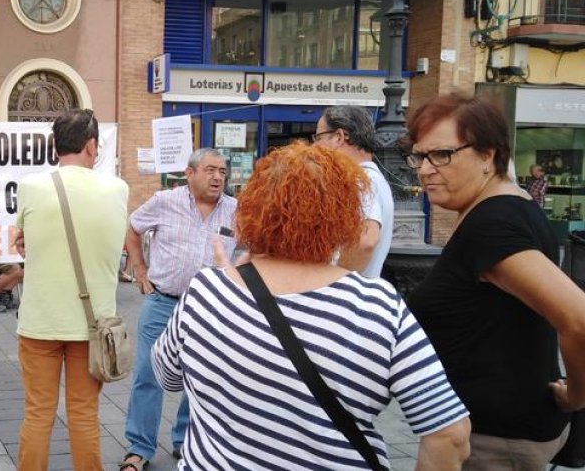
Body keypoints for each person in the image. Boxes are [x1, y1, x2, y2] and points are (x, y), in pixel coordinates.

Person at [151, 142, 471, 469]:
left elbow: (168, 377)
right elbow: (451, 434)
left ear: (253, 209)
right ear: (346, 215)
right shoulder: (379, 307)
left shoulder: (206, 290)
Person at [404, 93, 585, 469]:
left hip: (495, 442)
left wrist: (580, 395)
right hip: (501, 428)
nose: (425, 169)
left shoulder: (493, 226)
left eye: (442, 155)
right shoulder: (510, 206)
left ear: (488, 155)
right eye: (419, 156)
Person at [16, 109, 129, 471]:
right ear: (91, 145)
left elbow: (23, 241)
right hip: (93, 326)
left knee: (38, 413)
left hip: (39, 322)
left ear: (56, 146)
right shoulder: (117, 189)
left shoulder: (31, 187)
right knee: (84, 414)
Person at [119, 148, 237, 471]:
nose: (217, 177)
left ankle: (184, 440)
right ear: (189, 173)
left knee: (200, 376)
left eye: (222, 172)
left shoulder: (235, 210)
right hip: (163, 302)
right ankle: (139, 447)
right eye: (210, 170)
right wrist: (139, 269)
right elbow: (133, 228)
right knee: (148, 374)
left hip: (210, 308)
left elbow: (250, 249)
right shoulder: (164, 201)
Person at [311, 105, 394, 277]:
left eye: (318, 138)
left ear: (339, 137)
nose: (315, 146)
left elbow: (365, 241)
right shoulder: (373, 179)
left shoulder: (360, 180)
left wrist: (332, 283)